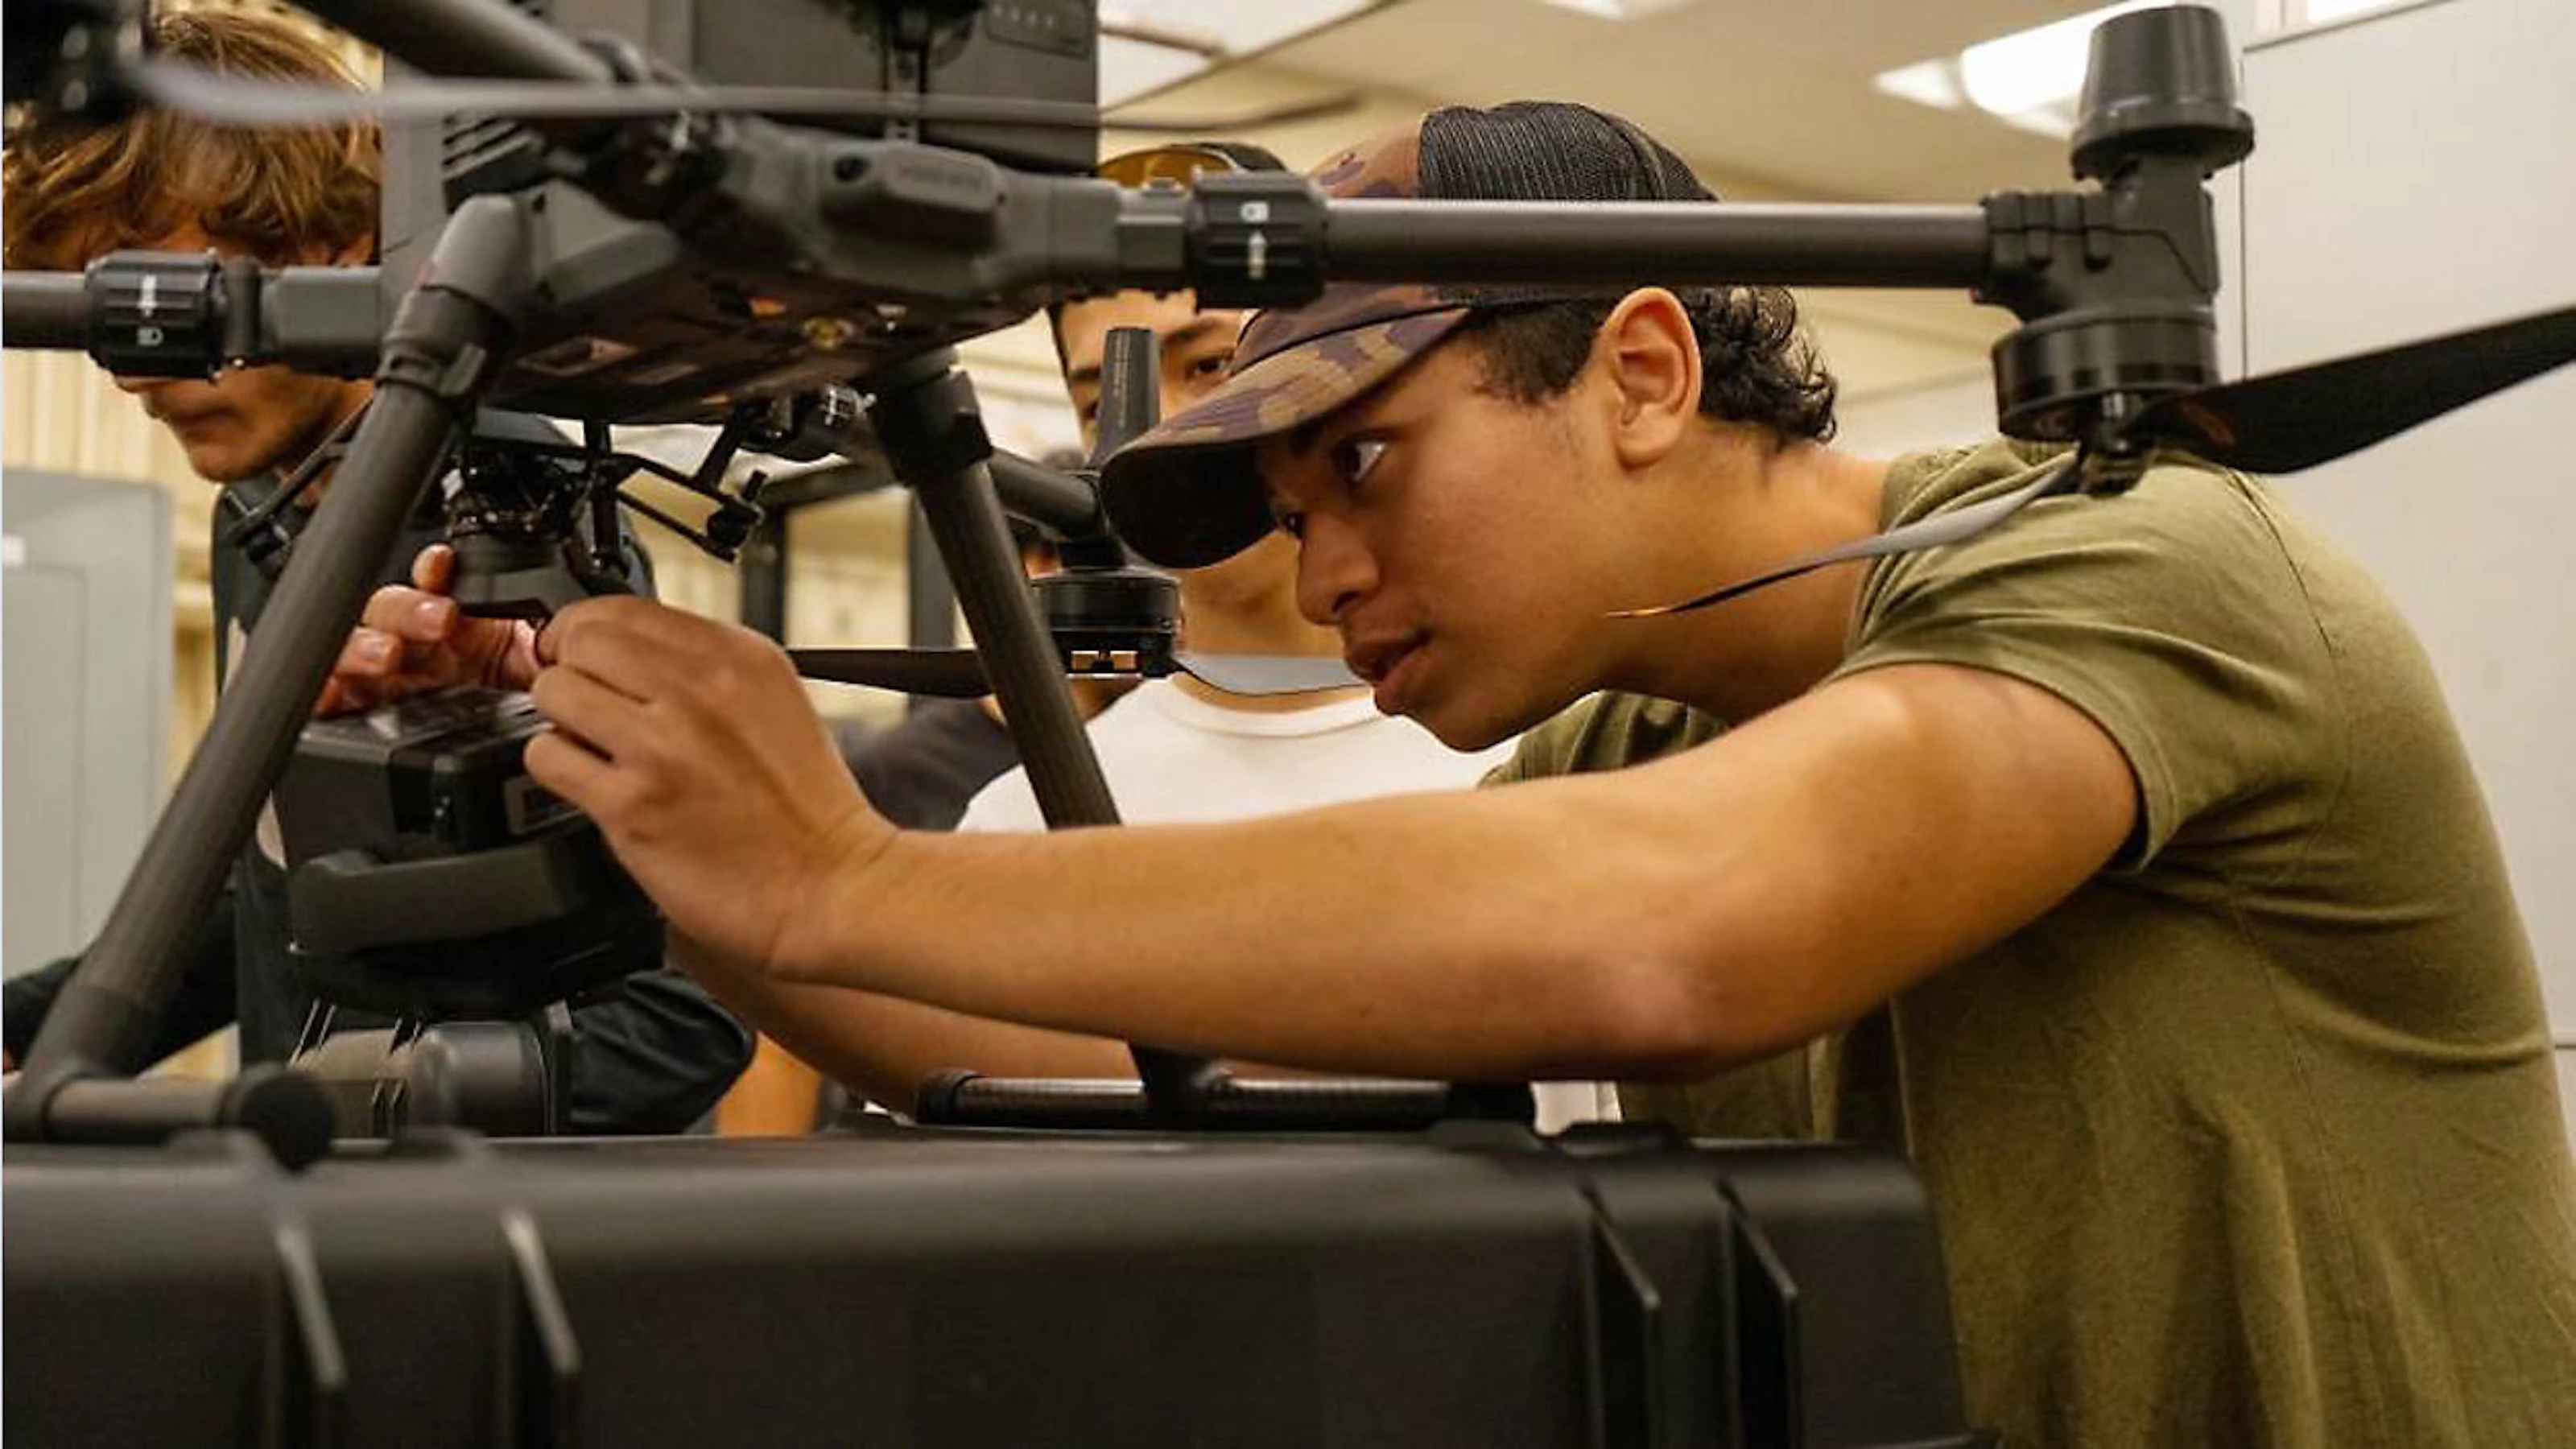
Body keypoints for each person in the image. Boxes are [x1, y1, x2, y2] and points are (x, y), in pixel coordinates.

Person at [337, 100, 2576, 1442]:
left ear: (1636, 365)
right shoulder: (1633, 716)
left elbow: (1668, 936)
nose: (1322, 570)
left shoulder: (2141, 557)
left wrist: (835, 872)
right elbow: (1083, 1033)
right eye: (1287, 505)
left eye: (1365, 468)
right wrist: (651, 826)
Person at [0, 8, 752, 1132]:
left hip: (469, 1247)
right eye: (112, 322)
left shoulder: (501, 511)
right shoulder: (262, 509)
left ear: (340, 241)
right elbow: (278, 897)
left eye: (173, 301)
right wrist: (30, 1031)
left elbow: (679, 1018)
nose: (135, 375)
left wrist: (355, 1122)